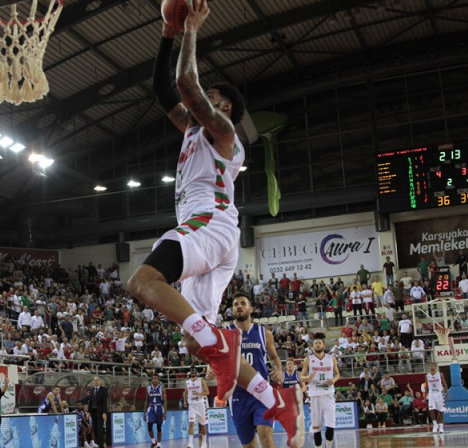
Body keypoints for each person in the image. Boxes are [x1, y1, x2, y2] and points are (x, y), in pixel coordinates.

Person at [127, 1, 303, 446]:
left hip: (211, 223)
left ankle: (224, 351)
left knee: (143, 281)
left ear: (223, 108)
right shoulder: (191, 129)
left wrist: (189, 29)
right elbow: (163, 88)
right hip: (217, 235)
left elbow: (186, 84)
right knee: (194, 342)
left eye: (215, 100)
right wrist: (166, 33)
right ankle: (275, 398)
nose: (205, 104)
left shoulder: (224, 132)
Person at [227, 293, 282, 448]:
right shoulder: (225, 334)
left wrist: (278, 370)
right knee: (249, 445)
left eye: (243, 303)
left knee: (266, 436)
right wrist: (210, 368)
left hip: (261, 391)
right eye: (236, 304)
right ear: (232, 309)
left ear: (250, 308)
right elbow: (215, 357)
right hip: (238, 394)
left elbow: (274, 357)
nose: (239, 306)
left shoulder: (264, 333)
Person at [302, 334, 340, 448]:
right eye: (315, 343)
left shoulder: (331, 358)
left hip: (328, 394)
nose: (317, 345)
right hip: (314, 395)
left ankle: (328, 446)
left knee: (330, 423)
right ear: (313, 346)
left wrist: (333, 380)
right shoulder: (308, 359)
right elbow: (301, 376)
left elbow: (338, 374)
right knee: (316, 427)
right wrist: (308, 378)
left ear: (323, 344)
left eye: (319, 343)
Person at [184, 369, 209, 448]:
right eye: (191, 373)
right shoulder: (187, 382)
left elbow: (207, 392)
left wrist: (199, 394)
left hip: (200, 404)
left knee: (203, 424)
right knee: (191, 423)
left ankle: (204, 443)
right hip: (192, 405)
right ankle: (190, 443)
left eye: (194, 373)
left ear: (197, 374)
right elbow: (185, 393)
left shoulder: (201, 380)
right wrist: (185, 401)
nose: (193, 374)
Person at [144, 373, 167, 448]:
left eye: (156, 378)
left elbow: (165, 401)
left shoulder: (162, 388)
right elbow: (146, 401)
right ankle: (154, 442)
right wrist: (144, 413)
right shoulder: (148, 388)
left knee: (159, 427)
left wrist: (165, 413)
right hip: (151, 408)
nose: (155, 380)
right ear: (152, 380)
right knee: (149, 426)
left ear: (158, 380)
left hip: (159, 408)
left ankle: (159, 445)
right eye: (154, 378)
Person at [425, 362, 448, 433]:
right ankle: (435, 425)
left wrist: (447, 394)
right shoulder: (427, 376)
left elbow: (444, 384)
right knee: (431, 409)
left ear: (435, 367)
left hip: (439, 393)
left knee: (441, 410)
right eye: (430, 365)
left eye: (433, 365)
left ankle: (441, 426)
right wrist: (425, 395)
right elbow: (427, 387)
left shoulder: (440, 374)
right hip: (431, 394)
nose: (432, 367)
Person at [89, 376, 108, 448]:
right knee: (95, 429)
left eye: (97, 380)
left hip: (100, 412)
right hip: (93, 412)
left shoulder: (103, 390)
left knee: (100, 429)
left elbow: (104, 402)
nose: (96, 382)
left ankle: (101, 444)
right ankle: (98, 443)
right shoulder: (92, 390)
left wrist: (104, 412)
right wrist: (88, 412)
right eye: (95, 380)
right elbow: (90, 402)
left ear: (100, 381)